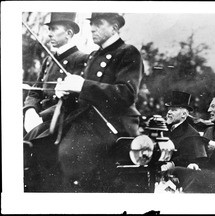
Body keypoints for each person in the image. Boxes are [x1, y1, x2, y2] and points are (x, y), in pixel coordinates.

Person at [24, 13, 144, 192]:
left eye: (98, 24)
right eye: (92, 24)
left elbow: (126, 94)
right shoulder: (94, 55)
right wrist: (64, 92)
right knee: (36, 138)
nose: (92, 28)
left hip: (112, 123)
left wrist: (83, 85)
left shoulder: (127, 52)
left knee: (68, 153)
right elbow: (81, 96)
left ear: (115, 28)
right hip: (84, 120)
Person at [23, 12, 87, 133]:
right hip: (38, 115)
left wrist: (42, 117)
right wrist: (29, 110)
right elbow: (36, 90)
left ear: (69, 33)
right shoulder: (48, 60)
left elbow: (75, 101)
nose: (49, 34)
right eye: (49, 29)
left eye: (54, 29)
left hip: (60, 120)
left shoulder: (82, 59)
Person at [160, 91, 207, 171]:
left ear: (184, 115)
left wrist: (171, 164)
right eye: (169, 110)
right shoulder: (162, 128)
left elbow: (189, 159)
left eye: (173, 110)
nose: (169, 113)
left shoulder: (192, 134)